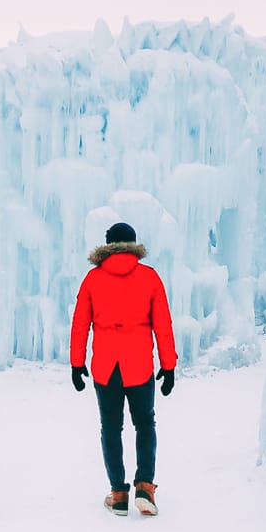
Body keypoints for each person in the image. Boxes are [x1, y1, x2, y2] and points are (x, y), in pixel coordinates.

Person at [69, 221, 176, 517]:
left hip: (106, 366)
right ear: (133, 244)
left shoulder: (93, 279)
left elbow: (80, 325)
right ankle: (144, 487)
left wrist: (77, 363)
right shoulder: (150, 278)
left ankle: (118, 493)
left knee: (111, 427)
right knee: (144, 424)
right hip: (139, 364)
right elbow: (163, 325)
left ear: (107, 245)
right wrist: (169, 366)